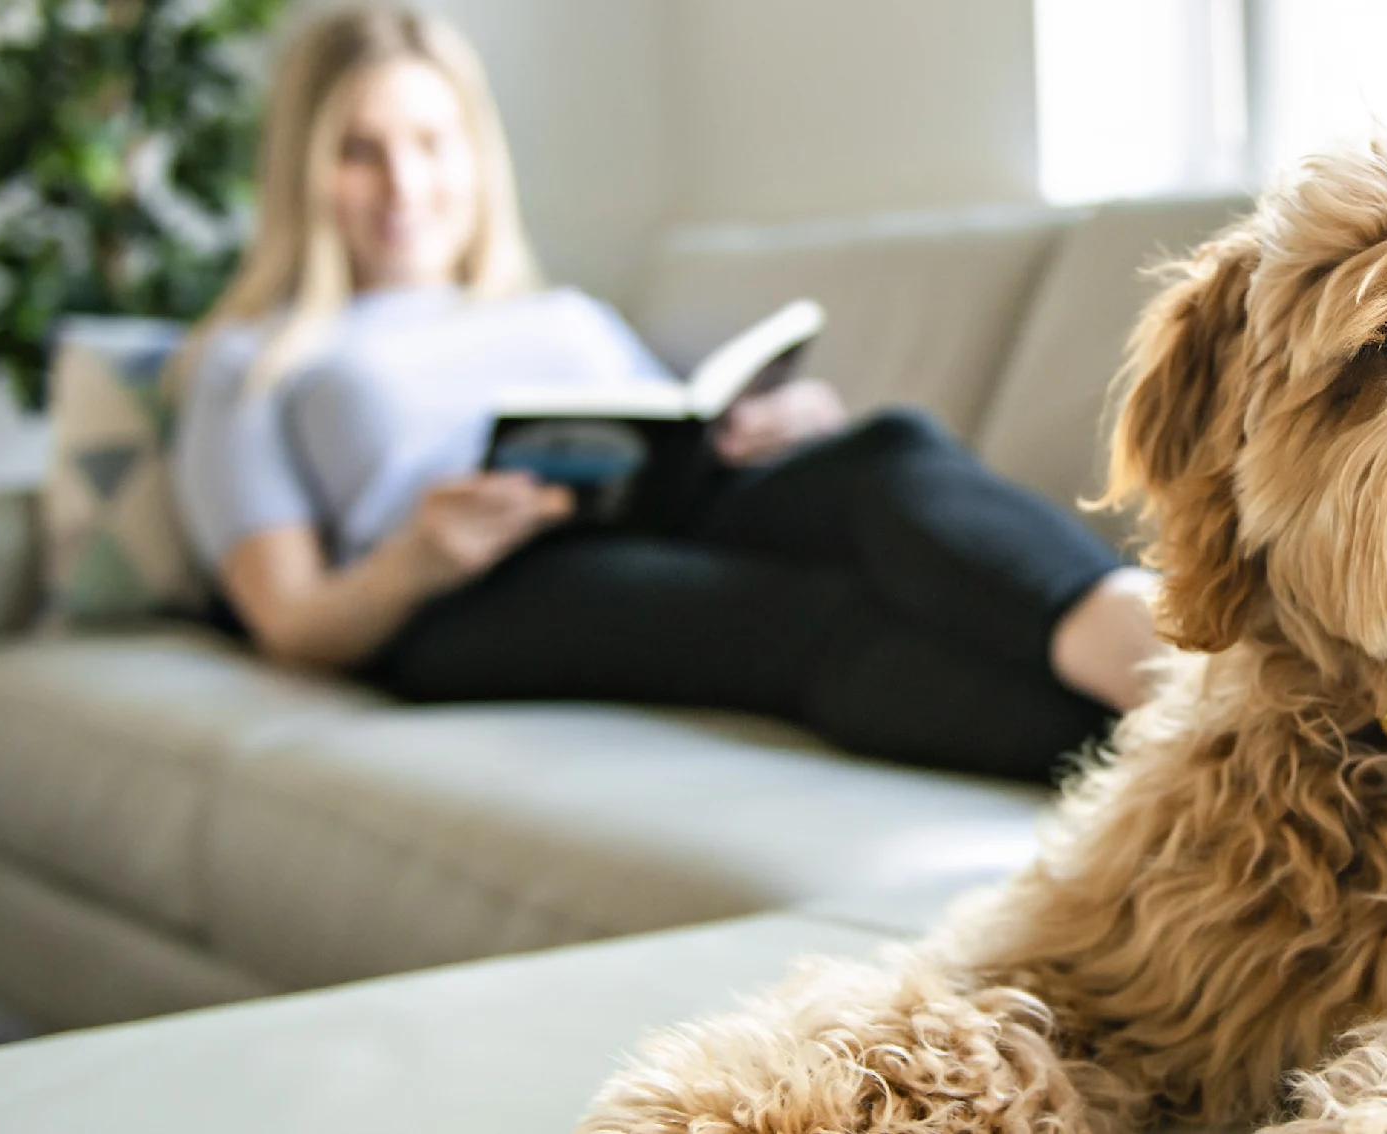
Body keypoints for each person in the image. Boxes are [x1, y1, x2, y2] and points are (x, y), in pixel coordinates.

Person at [169, 4, 1158, 782]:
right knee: (808, 619)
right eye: (359, 150)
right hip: (474, 595)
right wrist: (415, 561)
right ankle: (1175, 757)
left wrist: (770, 431)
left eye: (431, 142)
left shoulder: (557, 314)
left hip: (660, 517)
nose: (404, 183)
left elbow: (670, 439)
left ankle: (1157, 654)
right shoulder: (251, 361)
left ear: (475, 153)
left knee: (886, 450)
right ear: (304, 171)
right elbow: (289, 621)